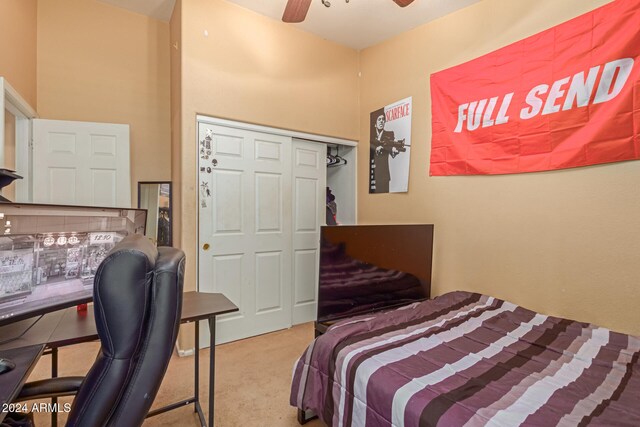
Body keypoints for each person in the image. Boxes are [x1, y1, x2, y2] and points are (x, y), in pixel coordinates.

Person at [369, 111, 400, 193]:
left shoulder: (389, 134)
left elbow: (392, 150)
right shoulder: (370, 137)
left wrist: (394, 151)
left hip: (384, 175)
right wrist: (376, 148)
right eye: (379, 119)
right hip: (372, 175)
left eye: (383, 119)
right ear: (375, 123)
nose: (382, 121)